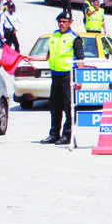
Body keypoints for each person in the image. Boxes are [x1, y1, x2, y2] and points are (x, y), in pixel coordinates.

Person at [26, 11, 85, 145]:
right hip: (56, 76)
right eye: (59, 21)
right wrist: (31, 58)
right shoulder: (54, 35)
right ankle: (54, 134)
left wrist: (79, 80)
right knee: (55, 106)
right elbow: (47, 56)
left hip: (68, 76)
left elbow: (80, 60)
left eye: (64, 21)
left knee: (68, 106)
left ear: (70, 23)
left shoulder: (74, 38)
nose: (61, 24)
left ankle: (67, 135)